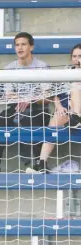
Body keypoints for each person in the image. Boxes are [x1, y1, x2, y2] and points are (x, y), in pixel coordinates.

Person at [0, 32, 51, 173]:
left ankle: (32, 165)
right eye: (17, 45)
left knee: (26, 120)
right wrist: (21, 99)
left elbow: (47, 97)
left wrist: (30, 99)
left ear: (31, 47)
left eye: (23, 44)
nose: (20, 48)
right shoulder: (10, 68)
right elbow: (9, 95)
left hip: (38, 108)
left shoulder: (42, 66)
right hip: (16, 106)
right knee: (1, 121)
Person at [26, 43, 81, 173]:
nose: (76, 59)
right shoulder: (66, 72)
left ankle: (76, 117)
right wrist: (58, 106)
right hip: (67, 111)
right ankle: (42, 163)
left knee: (75, 87)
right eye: (74, 56)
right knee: (55, 120)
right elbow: (55, 94)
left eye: (80, 56)